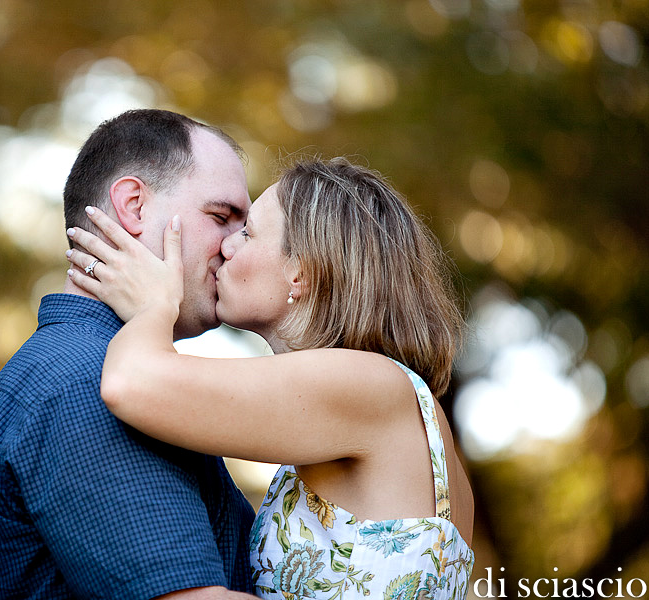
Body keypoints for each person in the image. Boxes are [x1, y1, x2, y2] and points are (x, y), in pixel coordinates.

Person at [65, 157, 476, 599]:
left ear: (301, 270)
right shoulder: (386, 400)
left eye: (247, 232)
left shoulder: (365, 383)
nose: (226, 246)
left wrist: (155, 304)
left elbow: (130, 383)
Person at [0, 109, 261, 599]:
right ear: (134, 206)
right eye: (221, 217)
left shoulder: (99, 369)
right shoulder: (83, 382)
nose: (234, 248)